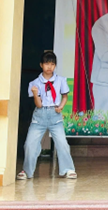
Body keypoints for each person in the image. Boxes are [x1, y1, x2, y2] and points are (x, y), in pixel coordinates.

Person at [17, 51, 77, 180]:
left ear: (55, 65)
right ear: (41, 65)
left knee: (62, 143)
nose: (49, 67)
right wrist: (35, 94)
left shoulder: (61, 80)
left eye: (52, 64)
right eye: (46, 64)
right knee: (30, 144)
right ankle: (27, 171)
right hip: (40, 116)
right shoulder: (34, 83)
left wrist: (61, 106)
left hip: (55, 115)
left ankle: (68, 169)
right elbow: (38, 105)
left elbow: (65, 96)